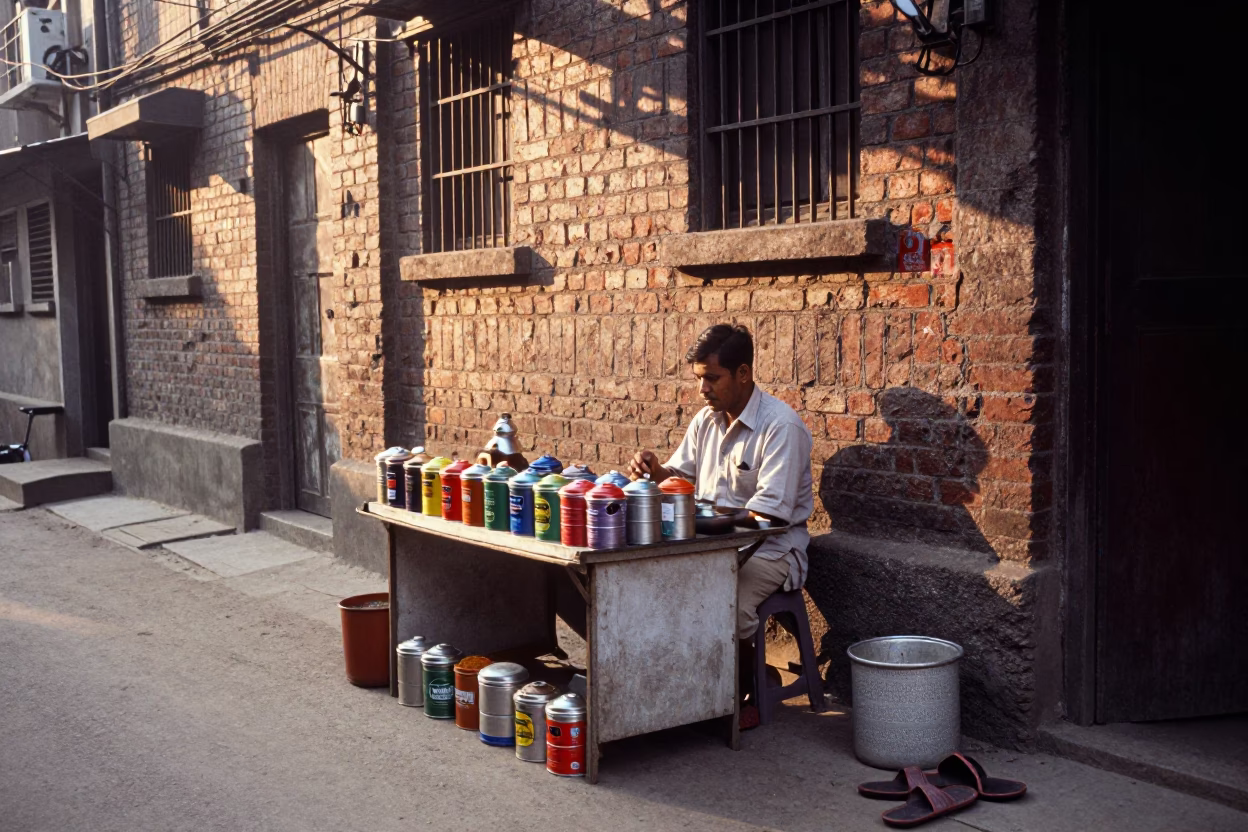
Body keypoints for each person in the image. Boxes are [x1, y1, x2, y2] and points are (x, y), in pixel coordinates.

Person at [629, 324, 813, 728]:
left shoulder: (781, 427)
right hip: (716, 542)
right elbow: (678, 477)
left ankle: (745, 690)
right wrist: (653, 470)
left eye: (712, 378)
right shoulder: (706, 421)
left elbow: (771, 517)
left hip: (773, 549)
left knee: (724, 604)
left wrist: (707, 520)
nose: (702, 390)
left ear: (743, 373)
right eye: (699, 379)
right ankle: (705, 685)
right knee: (656, 591)